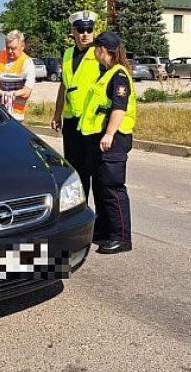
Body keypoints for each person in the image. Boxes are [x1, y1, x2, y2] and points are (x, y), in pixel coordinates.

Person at [79, 32, 135, 254]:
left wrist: (110, 133)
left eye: (96, 49)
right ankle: (103, 231)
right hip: (100, 137)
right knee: (102, 188)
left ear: (102, 50)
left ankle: (121, 237)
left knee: (112, 189)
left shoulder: (118, 75)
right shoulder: (107, 73)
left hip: (114, 138)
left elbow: (118, 108)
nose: (94, 52)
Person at [50, 11, 102, 203]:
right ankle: (78, 209)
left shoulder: (99, 53)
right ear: (73, 31)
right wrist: (57, 114)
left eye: (89, 29)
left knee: (90, 171)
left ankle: (91, 216)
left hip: (91, 122)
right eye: (81, 29)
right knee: (74, 170)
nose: (85, 34)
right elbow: (64, 85)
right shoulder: (68, 54)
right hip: (71, 120)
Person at [0, 30, 35, 121]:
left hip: (14, 116)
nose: (10, 51)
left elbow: (27, 91)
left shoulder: (27, 62)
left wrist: (9, 94)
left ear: (22, 46)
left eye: (13, 48)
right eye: (8, 48)